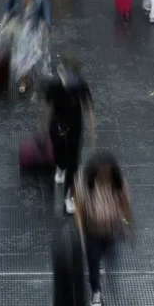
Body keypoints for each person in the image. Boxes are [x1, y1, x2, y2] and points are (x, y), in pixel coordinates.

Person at [73, 151, 133, 306]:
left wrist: (128, 225)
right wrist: (80, 231)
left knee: (111, 259)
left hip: (112, 231)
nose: (105, 176)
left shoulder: (119, 185)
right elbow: (78, 207)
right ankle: (96, 292)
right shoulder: (85, 183)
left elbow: (125, 205)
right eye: (102, 173)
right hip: (92, 233)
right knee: (93, 264)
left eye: (108, 173)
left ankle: (104, 271)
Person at [47, 55, 94, 214]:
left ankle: (69, 196)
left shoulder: (80, 85)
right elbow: (48, 106)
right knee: (60, 152)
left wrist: (92, 130)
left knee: (74, 163)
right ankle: (60, 166)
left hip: (75, 126)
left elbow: (87, 106)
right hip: (57, 124)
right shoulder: (54, 85)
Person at [2, 0, 52, 94]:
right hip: (20, 28)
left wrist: (46, 22)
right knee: (21, 55)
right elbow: (8, 4)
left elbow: (45, 9)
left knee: (32, 54)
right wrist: (6, 16)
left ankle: (31, 72)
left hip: (33, 29)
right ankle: (23, 80)